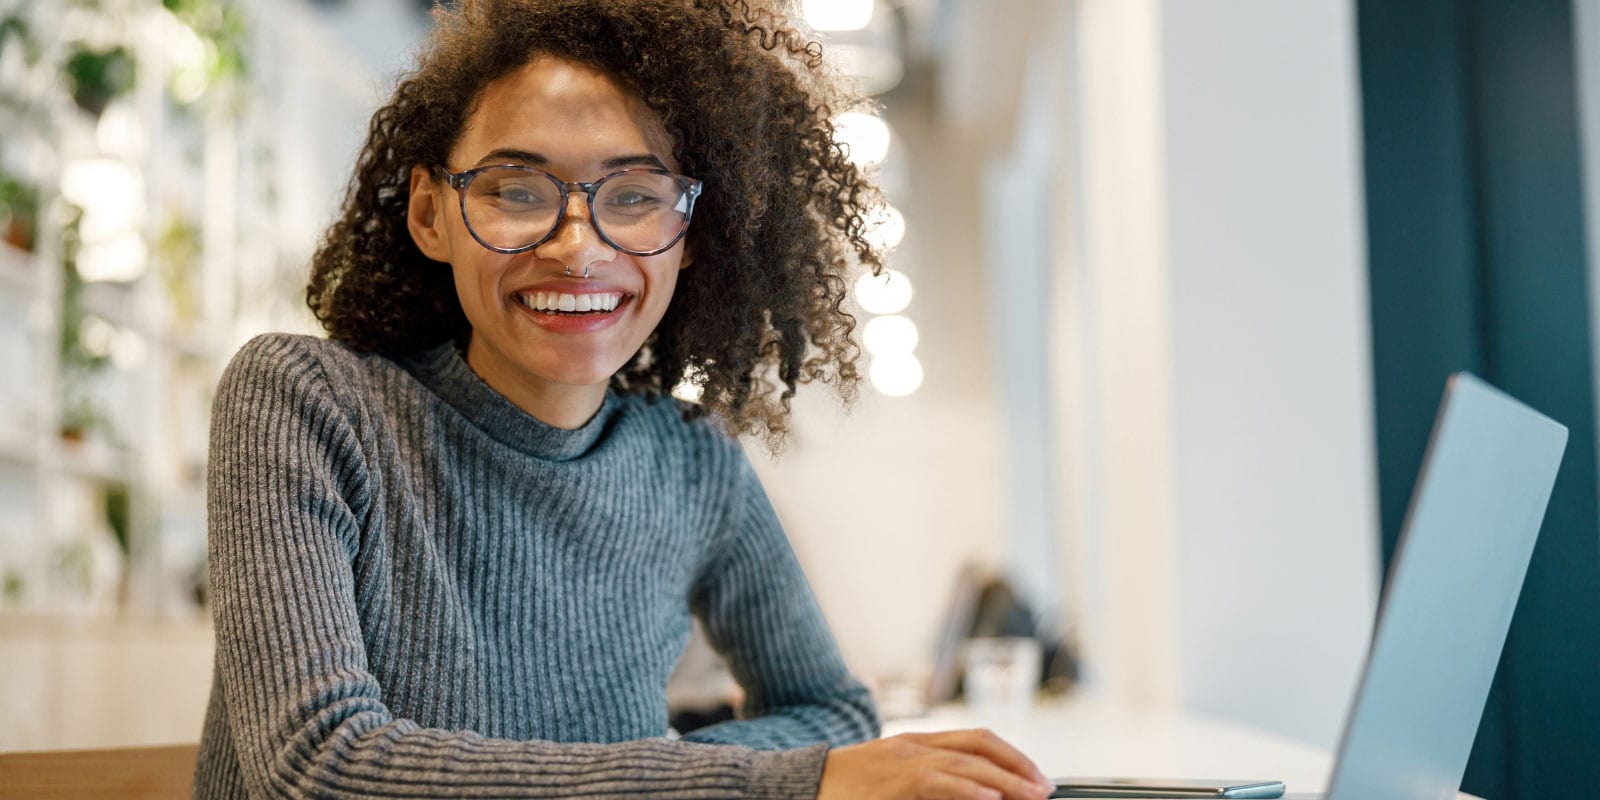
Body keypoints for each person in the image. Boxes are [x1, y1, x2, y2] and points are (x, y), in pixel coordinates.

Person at [194, 0, 1056, 798]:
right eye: (518, 191)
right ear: (430, 214)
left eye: (636, 196)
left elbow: (831, 713)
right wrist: (758, 783)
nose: (578, 247)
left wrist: (661, 773)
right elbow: (318, 766)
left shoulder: (691, 460)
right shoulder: (304, 402)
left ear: (690, 237)